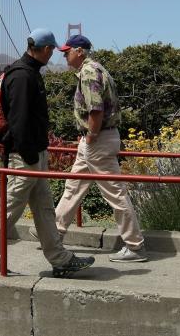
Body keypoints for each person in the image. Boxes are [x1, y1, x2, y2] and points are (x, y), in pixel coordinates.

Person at [0, 28, 95, 277]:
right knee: (8, 209)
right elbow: (19, 120)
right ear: (44, 49)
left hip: (33, 154)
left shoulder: (27, 72)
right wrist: (29, 154)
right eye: (52, 50)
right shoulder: (23, 76)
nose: (52, 54)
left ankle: (60, 259)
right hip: (25, 157)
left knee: (44, 209)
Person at [47, 34, 147, 262]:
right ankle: (54, 234)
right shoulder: (94, 69)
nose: (64, 55)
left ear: (79, 51)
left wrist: (90, 136)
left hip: (98, 139)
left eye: (67, 51)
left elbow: (96, 110)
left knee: (115, 193)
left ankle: (135, 246)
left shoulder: (89, 71)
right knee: (73, 187)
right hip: (95, 139)